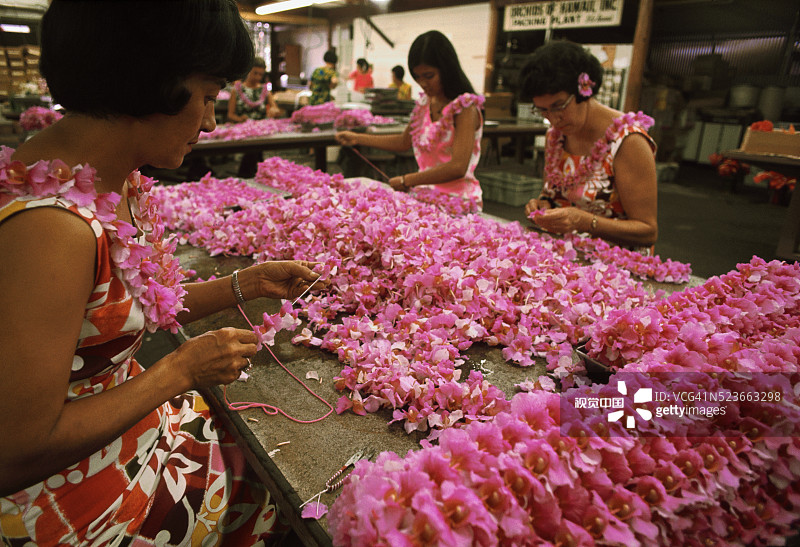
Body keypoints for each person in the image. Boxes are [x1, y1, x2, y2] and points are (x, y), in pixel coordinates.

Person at [0, 1, 324, 544]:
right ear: (152, 82)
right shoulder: (50, 231)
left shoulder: (90, 178)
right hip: (76, 502)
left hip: (128, 441)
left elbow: (117, 309)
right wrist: (178, 370)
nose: (213, 121)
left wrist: (248, 283)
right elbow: (14, 451)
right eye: (207, 96)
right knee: (288, 492)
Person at [519, 40, 658, 253]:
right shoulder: (556, 136)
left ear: (585, 90)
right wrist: (543, 205)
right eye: (543, 110)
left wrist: (584, 222)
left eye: (559, 106)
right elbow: (554, 193)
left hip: (616, 262)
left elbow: (647, 231)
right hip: (566, 254)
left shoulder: (628, 141)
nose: (553, 119)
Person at [335, 31, 484, 206]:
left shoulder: (465, 108)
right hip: (425, 196)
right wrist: (357, 138)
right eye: (417, 77)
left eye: (429, 76)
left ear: (447, 70)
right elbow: (403, 142)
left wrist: (408, 180)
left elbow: (458, 167)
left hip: (459, 202)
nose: (423, 83)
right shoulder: (424, 104)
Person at [227, 56, 281, 123]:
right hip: (242, 128)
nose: (257, 77)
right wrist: (240, 119)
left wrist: (274, 111)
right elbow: (230, 115)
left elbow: (276, 109)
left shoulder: (265, 91)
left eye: (260, 74)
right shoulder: (236, 90)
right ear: (248, 70)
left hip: (261, 128)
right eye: (255, 73)